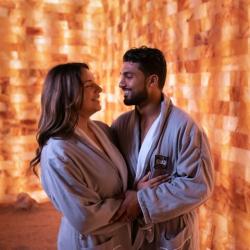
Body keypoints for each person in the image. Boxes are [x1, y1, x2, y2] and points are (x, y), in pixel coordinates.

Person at [111, 46, 214, 250]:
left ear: (152, 81)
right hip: (130, 232)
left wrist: (142, 200)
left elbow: (198, 185)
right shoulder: (120, 125)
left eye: (129, 76)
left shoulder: (185, 127)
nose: (121, 83)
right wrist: (132, 192)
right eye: (122, 76)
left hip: (169, 234)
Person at [30, 62, 133, 250]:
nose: (99, 89)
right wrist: (132, 202)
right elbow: (84, 218)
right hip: (87, 243)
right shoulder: (58, 152)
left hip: (119, 238)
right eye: (89, 85)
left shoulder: (103, 131)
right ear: (67, 94)